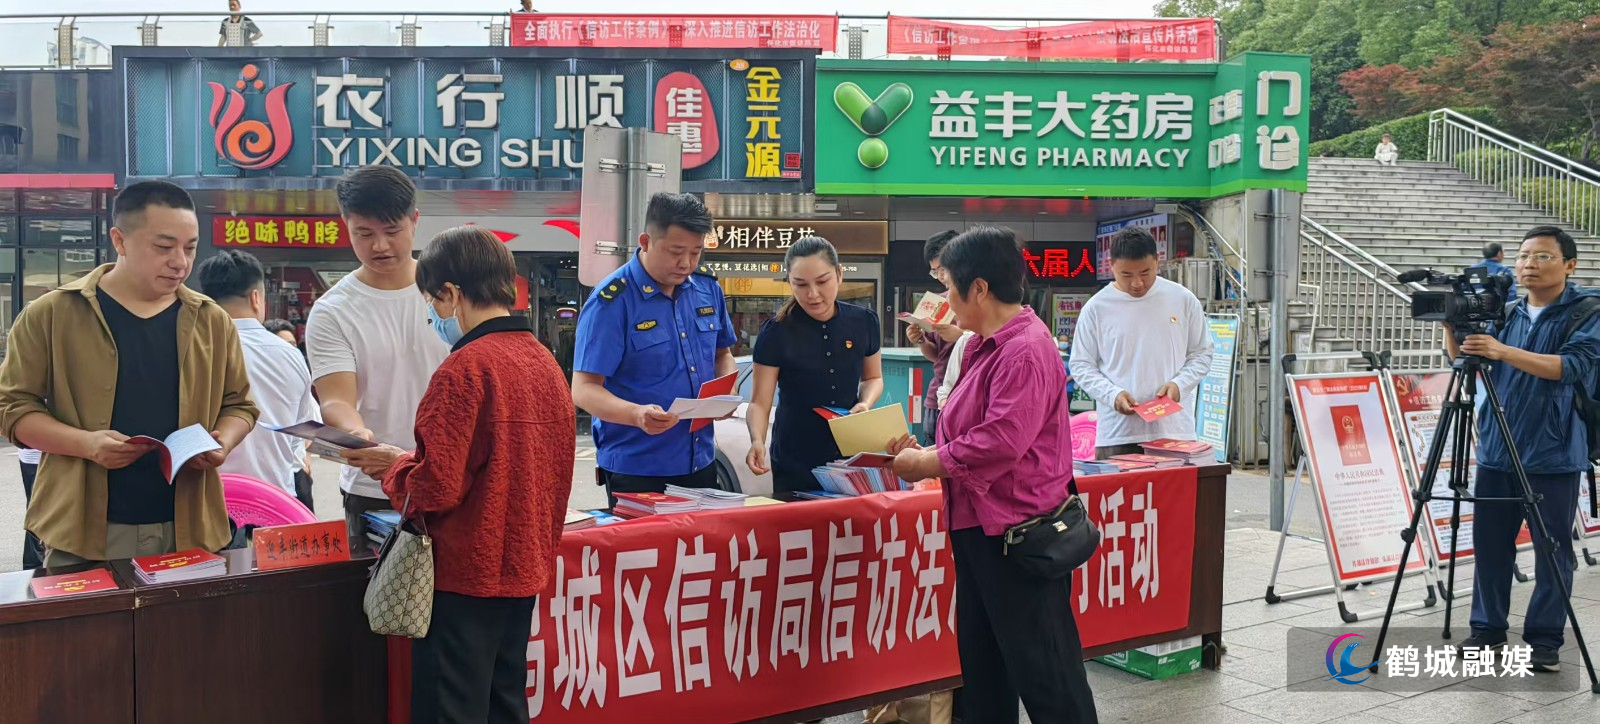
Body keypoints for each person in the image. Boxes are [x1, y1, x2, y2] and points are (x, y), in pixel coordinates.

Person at [344, 226, 575, 724]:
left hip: (465, 576)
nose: (432, 313)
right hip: (524, 569)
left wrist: (395, 467)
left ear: (449, 294)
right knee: (504, 702)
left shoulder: (464, 369)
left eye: (431, 301)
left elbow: (435, 488)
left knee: (451, 708)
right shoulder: (544, 362)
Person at [886, 226, 1098, 724]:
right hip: (979, 527)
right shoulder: (983, 344)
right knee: (985, 674)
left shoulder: (1024, 349)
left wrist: (928, 463)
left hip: (1016, 533)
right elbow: (971, 428)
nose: (945, 301)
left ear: (978, 288)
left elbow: (1001, 440)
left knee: (1048, 677)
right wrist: (929, 450)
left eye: (949, 288)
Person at [0, 181, 258, 565]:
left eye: (189, 248)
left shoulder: (211, 320)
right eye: (164, 247)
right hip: (83, 531)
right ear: (119, 240)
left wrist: (224, 440)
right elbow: (12, 408)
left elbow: (240, 405)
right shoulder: (52, 314)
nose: (180, 262)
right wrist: (86, 444)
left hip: (190, 526)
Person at [1449, 226, 1600, 673]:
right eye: (1523, 256)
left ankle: (1545, 640)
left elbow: (1570, 367)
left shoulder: (1587, 312)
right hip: (1498, 447)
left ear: (1569, 265)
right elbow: (1464, 362)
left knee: (1552, 549)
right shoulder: (1509, 311)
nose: (1529, 264)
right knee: (1490, 546)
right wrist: (1451, 325)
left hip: (1554, 450)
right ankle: (1487, 630)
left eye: (1542, 256)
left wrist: (1502, 350)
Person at [306, 166, 450, 543]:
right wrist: (354, 433)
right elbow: (337, 398)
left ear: (414, 221)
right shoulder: (333, 310)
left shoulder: (450, 292)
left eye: (391, 231)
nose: (380, 246)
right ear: (346, 226)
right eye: (364, 234)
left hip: (450, 478)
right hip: (375, 486)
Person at [572, 193, 736, 502]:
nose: (686, 263)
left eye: (696, 252)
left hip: (700, 460)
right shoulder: (612, 302)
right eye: (676, 252)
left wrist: (725, 391)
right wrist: (636, 414)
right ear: (646, 241)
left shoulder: (707, 289)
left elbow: (722, 354)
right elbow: (583, 389)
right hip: (637, 469)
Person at [745, 237, 885, 493]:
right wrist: (757, 440)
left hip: (849, 454)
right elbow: (759, 402)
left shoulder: (864, 321)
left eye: (822, 281)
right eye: (800, 284)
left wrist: (865, 403)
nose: (812, 294)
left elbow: (873, 378)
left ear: (839, 275)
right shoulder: (776, 331)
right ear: (790, 282)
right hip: (794, 456)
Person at [1069, 226, 1213, 459]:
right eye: (1126, 275)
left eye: (1145, 273)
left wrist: (1179, 385)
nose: (1137, 283)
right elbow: (1081, 364)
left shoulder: (1182, 299)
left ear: (1157, 260)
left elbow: (1202, 353)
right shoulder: (1096, 308)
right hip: (1118, 434)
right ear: (1111, 265)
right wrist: (1112, 395)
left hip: (1174, 432)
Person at [195, 250, 321, 511]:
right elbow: (301, 431)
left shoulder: (191, 349)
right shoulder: (290, 354)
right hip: (274, 502)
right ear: (256, 298)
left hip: (207, 505)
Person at [908, 230, 964, 446]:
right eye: (935, 272)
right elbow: (936, 356)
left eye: (942, 269)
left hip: (966, 393)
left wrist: (960, 336)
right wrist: (921, 340)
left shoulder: (978, 301)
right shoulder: (936, 303)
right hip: (937, 395)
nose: (941, 277)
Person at [17, 444, 43, 569]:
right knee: (38, 515)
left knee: (37, 513)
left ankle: (33, 567)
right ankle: (33, 568)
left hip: (35, 458)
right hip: (38, 458)